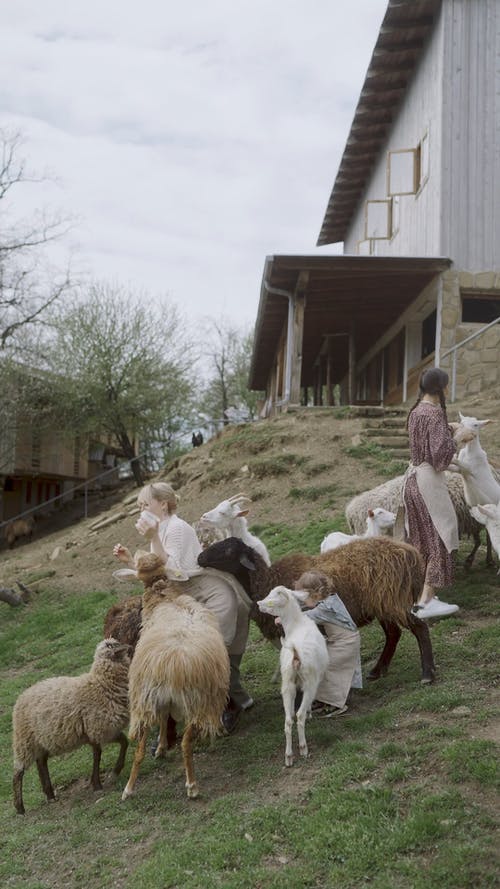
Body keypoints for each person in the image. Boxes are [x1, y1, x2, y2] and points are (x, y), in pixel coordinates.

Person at [113, 482, 252, 733]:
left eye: (145, 504)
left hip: (210, 596)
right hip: (188, 597)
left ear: (163, 504)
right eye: (139, 506)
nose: (142, 510)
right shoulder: (162, 529)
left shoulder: (176, 527)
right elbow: (157, 568)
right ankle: (213, 704)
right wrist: (131, 560)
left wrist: (153, 537)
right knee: (193, 652)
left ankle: (228, 705)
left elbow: (173, 570)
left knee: (213, 653)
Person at [402, 367, 460, 620]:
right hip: (428, 483)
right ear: (440, 388)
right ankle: (427, 600)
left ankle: (418, 599)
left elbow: (427, 441)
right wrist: (458, 439)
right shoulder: (435, 413)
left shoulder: (417, 411)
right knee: (441, 534)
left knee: (421, 538)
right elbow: (439, 458)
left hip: (412, 481)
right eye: (446, 384)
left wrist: (447, 430)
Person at [293, 571, 362, 718]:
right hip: (345, 640)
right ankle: (326, 699)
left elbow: (307, 617)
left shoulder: (325, 609)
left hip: (345, 643)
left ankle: (335, 703)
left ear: (315, 595)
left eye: (304, 597)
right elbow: (309, 606)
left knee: (327, 668)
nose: (303, 601)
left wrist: (285, 618)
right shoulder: (330, 599)